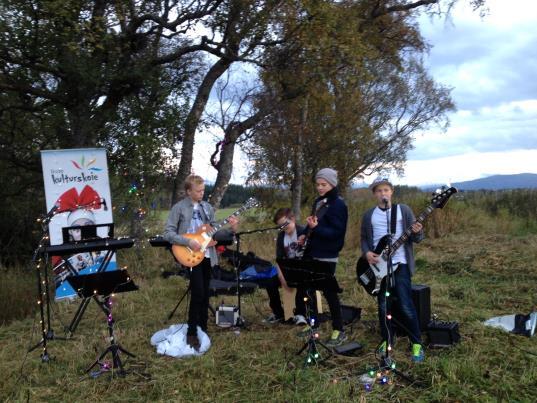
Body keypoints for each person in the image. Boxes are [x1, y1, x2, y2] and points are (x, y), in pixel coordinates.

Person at [163, 175, 238, 351]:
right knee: (197, 293)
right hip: (189, 254)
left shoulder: (207, 208)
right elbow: (168, 233)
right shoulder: (179, 208)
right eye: (198, 191)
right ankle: (191, 331)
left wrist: (232, 229)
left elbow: (213, 233)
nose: (202, 193)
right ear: (189, 191)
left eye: (203, 190)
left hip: (206, 255)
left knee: (205, 293)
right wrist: (188, 242)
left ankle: (203, 329)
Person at [360, 177, 425, 362]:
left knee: (405, 304)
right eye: (379, 191)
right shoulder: (368, 215)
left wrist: (418, 231)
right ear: (374, 194)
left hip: (401, 264)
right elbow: (364, 238)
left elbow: (417, 238)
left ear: (392, 192)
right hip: (378, 267)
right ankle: (387, 339)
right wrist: (367, 254)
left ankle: (417, 343)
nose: (383, 194)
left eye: (386, 190)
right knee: (383, 305)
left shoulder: (403, 210)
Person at [304, 168, 348, 347]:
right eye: (318, 184)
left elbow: (337, 232)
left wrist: (315, 229)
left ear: (332, 184)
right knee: (309, 290)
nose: (320, 188)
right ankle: (313, 324)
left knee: (329, 292)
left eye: (324, 184)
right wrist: (305, 234)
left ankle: (339, 329)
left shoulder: (338, 204)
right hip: (313, 251)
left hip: (328, 254)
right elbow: (315, 224)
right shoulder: (318, 201)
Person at [262, 208, 308, 325]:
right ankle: (278, 313)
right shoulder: (281, 236)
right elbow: (279, 261)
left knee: (302, 283)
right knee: (270, 282)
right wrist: (282, 279)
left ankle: (300, 314)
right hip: (287, 271)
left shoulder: (303, 231)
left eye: (285, 224)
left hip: (303, 270)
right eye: (280, 226)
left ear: (292, 219)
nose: (283, 228)